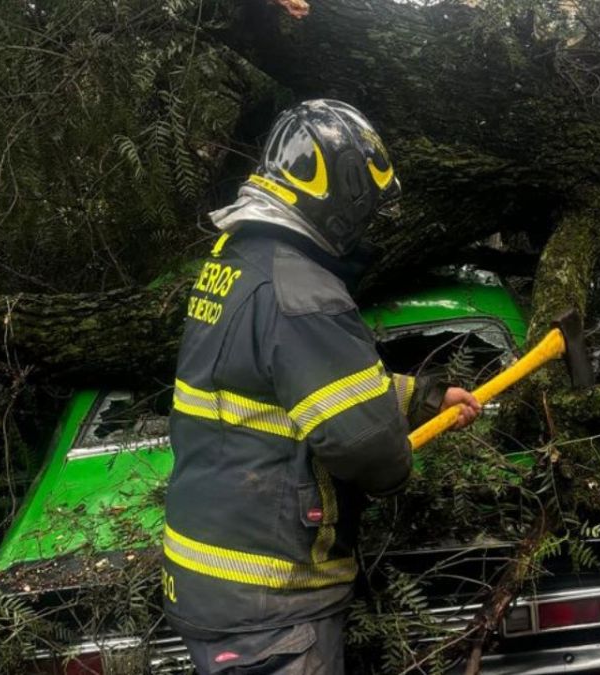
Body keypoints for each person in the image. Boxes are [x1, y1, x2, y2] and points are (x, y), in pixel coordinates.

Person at [162, 99, 482, 674]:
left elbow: (287, 384)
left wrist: (424, 398)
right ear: (342, 202)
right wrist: (394, 461)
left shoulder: (233, 262)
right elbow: (367, 450)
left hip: (212, 579)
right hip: (269, 600)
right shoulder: (303, 291)